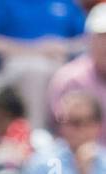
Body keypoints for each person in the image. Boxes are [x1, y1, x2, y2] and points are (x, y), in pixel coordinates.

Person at [0, 0, 86, 132]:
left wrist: (64, 46)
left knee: (77, 76)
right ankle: (35, 136)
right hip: (11, 66)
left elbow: (87, 40)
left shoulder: (66, 3)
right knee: (35, 71)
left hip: (59, 64)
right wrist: (33, 49)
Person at [47, 4, 106, 146]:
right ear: (89, 39)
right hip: (79, 160)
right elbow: (63, 132)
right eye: (102, 37)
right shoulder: (69, 79)